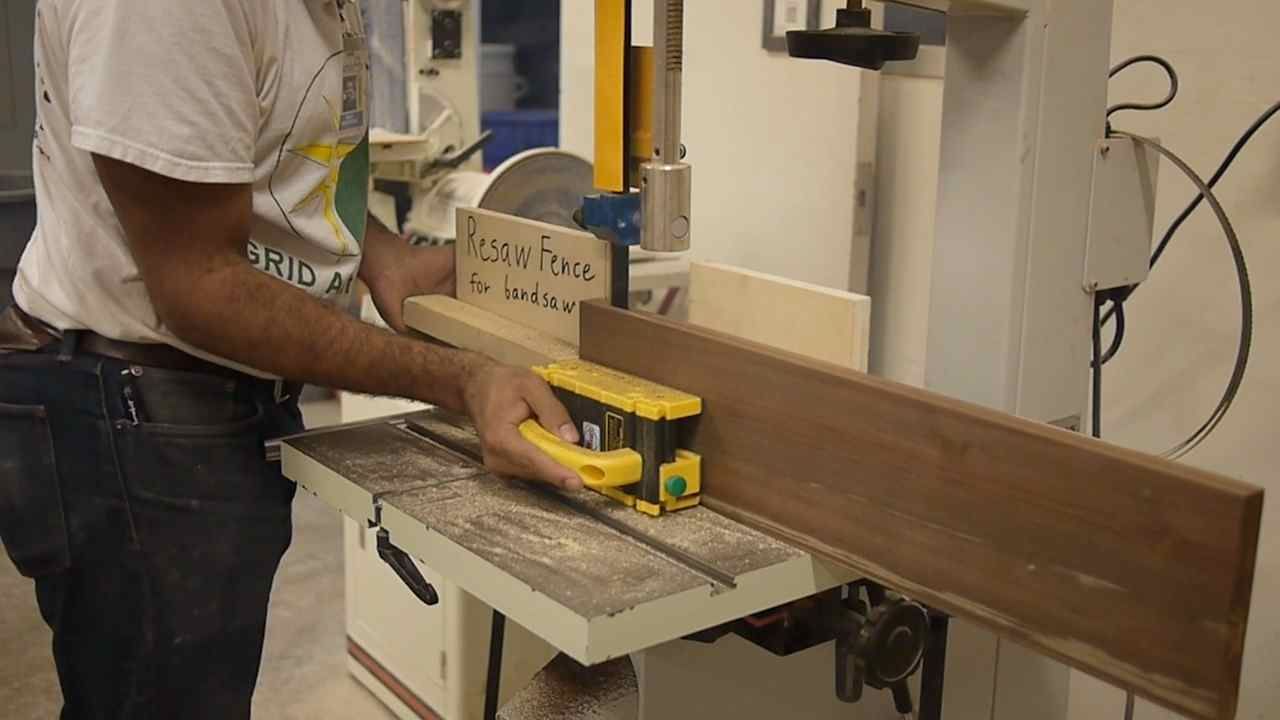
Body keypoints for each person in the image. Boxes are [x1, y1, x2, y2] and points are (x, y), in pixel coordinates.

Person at [0, 1, 582, 717]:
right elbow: (201, 286)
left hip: (196, 400)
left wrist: (382, 256)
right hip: (133, 413)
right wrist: (463, 379)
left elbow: (274, 158)